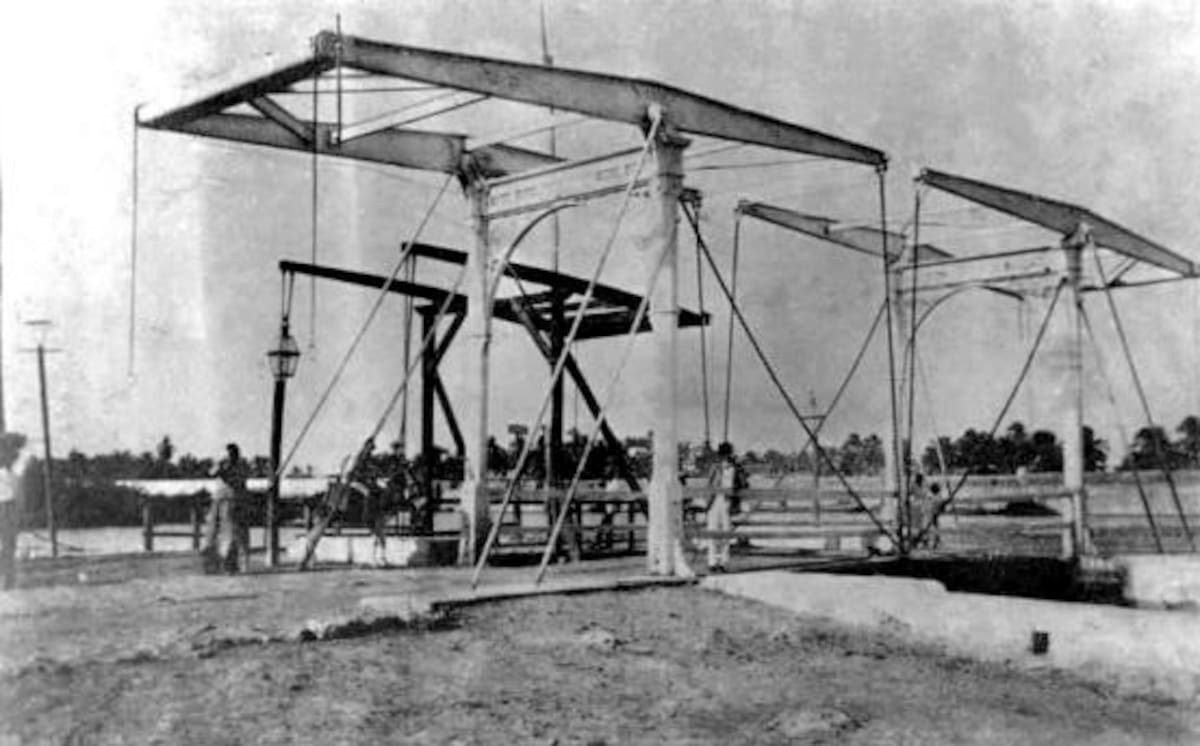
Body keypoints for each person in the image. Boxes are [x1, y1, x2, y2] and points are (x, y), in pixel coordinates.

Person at [202, 442, 250, 574]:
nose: (229, 457)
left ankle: (231, 565)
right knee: (212, 534)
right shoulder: (223, 466)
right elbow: (211, 473)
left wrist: (225, 468)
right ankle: (213, 565)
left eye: (232, 455)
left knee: (232, 534)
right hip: (219, 500)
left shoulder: (240, 467)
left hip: (232, 501)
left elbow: (238, 482)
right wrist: (221, 465)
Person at [347, 437, 389, 567]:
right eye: (370, 448)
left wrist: (377, 475)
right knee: (368, 493)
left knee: (380, 489)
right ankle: (368, 515)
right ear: (366, 447)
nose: (371, 451)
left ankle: (379, 511)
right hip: (355, 481)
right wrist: (369, 477)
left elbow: (373, 469)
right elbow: (358, 472)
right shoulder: (360, 457)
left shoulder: (369, 459)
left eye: (372, 449)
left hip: (364, 481)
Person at [705, 441, 742, 573]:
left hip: (727, 501)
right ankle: (712, 561)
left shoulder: (735, 468)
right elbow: (709, 484)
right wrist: (708, 501)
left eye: (727, 455)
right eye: (724, 455)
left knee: (726, 532)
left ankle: (723, 562)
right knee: (713, 530)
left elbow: (740, 484)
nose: (726, 458)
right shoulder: (715, 467)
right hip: (716, 500)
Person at [0, 433, 28, 590]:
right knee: (8, 546)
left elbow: (18, 489)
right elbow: (18, 490)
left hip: (7, 506)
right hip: (7, 506)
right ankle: (7, 579)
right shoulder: (13, 468)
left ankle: (7, 580)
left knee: (8, 545)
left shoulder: (14, 468)